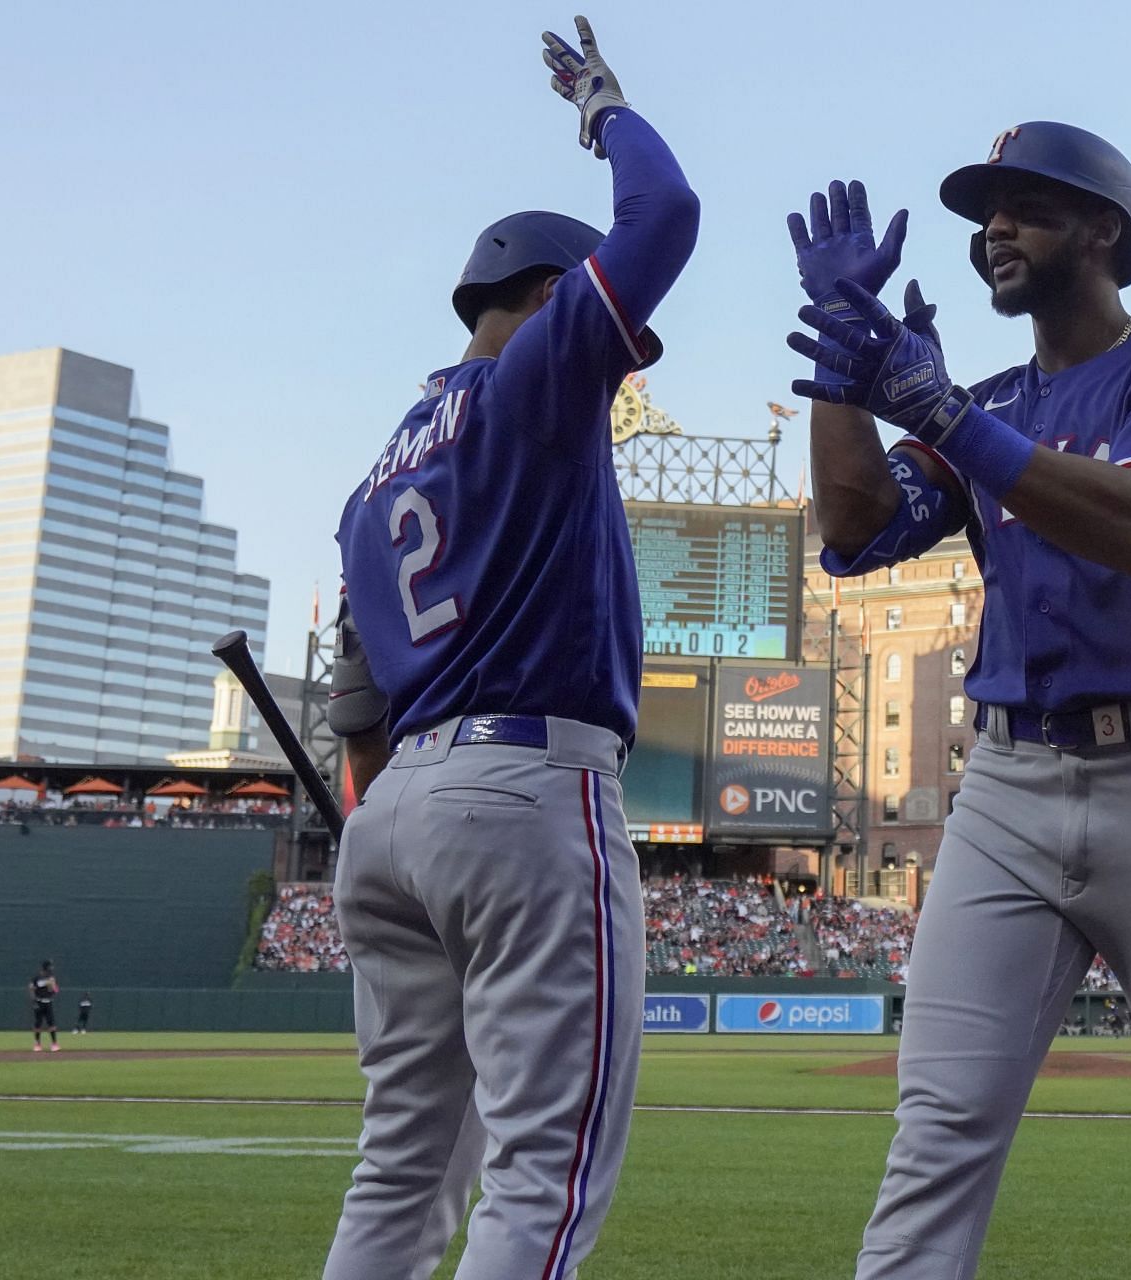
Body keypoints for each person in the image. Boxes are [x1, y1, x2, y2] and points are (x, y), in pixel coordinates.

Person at [787, 122, 1131, 1278]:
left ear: (1103, 230)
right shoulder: (991, 396)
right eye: (985, 213)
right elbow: (856, 521)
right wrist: (842, 369)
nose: (994, 229)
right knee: (935, 1139)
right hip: (1007, 791)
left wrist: (952, 418)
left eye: (1023, 206)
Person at [319, 16, 697, 1280]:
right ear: (544, 303)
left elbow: (355, 698)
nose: (623, 359)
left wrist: (395, 808)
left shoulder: (369, 483)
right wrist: (604, 108)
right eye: (606, 329)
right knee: (544, 1168)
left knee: (401, 1166)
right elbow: (667, 215)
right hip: (527, 785)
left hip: (396, 814)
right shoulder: (533, 376)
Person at [29, 960, 60, 1052]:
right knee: (38, 1024)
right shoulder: (36, 978)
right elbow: (31, 988)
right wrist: (33, 1001)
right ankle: (37, 1044)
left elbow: (55, 990)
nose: (51, 969)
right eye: (50, 967)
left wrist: (52, 985)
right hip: (39, 1002)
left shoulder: (51, 977)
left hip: (48, 1002)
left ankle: (54, 1044)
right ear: (46, 967)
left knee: (51, 1023)